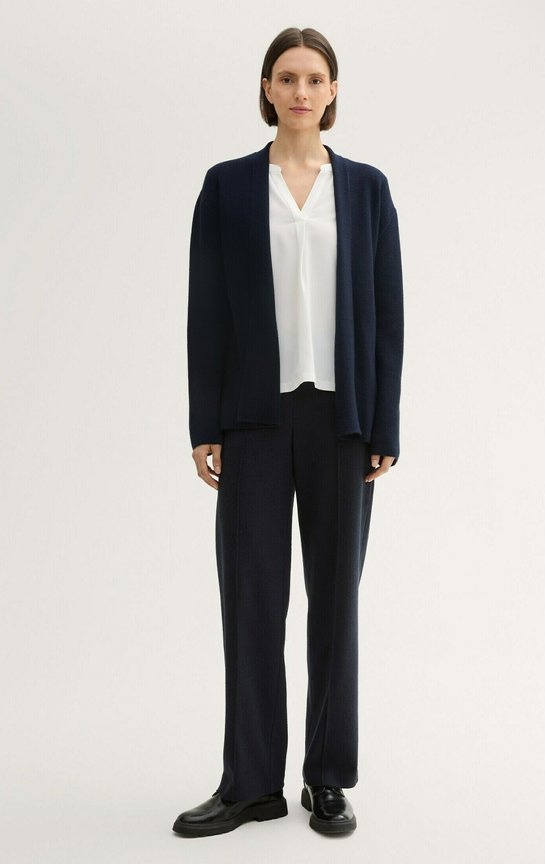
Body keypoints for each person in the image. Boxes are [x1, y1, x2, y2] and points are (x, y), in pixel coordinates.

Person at [172, 26, 404, 838]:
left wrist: (384, 422)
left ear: (333, 91)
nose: (300, 90)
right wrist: (206, 422)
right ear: (266, 90)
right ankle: (250, 784)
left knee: (335, 601)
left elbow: (386, 315)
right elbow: (206, 310)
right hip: (254, 419)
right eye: (285, 77)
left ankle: (327, 778)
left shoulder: (367, 190)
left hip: (342, 422)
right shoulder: (228, 187)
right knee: (252, 598)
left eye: (314, 78)